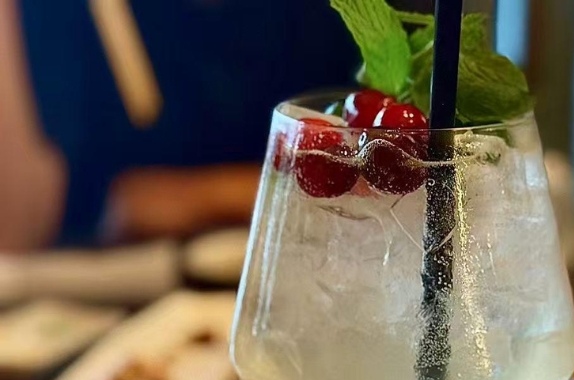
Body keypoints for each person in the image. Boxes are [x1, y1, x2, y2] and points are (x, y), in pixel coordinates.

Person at [0, 0, 358, 251]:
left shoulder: (318, 14)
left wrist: (209, 196)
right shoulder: (74, 13)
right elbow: (113, 206)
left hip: (306, 263)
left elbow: (353, 171)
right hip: (131, 288)